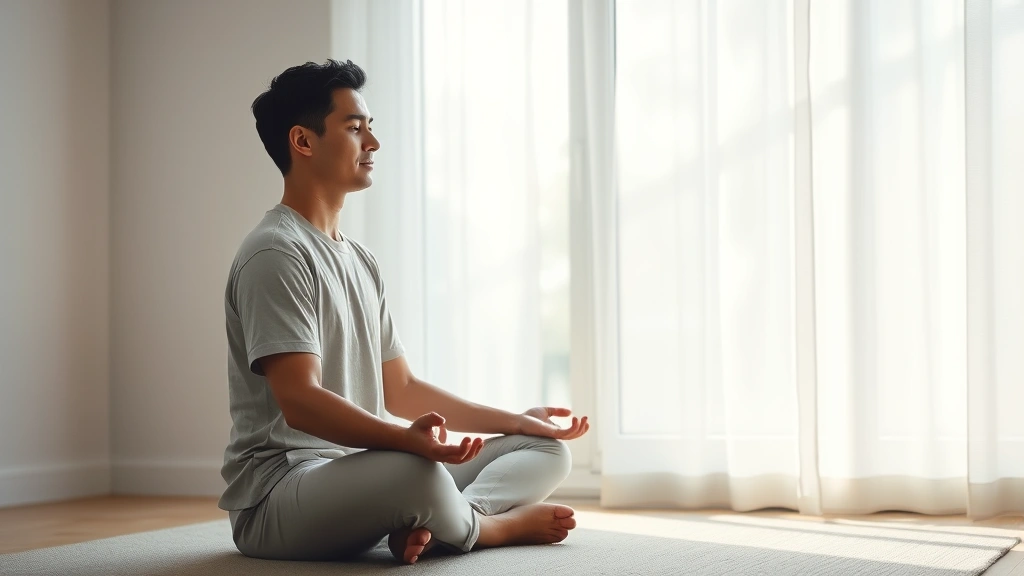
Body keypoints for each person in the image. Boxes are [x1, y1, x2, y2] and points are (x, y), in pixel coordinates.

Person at [219, 59, 590, 564]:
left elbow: (403, 389)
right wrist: (408, 443)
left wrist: (519, 422)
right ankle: (488, 528)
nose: (373, 143)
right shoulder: (275, 252)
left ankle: (447, 521)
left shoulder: (360, 260)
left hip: (362, 478)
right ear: (303, 141)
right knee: (413, 469)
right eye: (355, 128)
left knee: (546, 450)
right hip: (278, 499)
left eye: (370, 127)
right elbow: (301, 401)